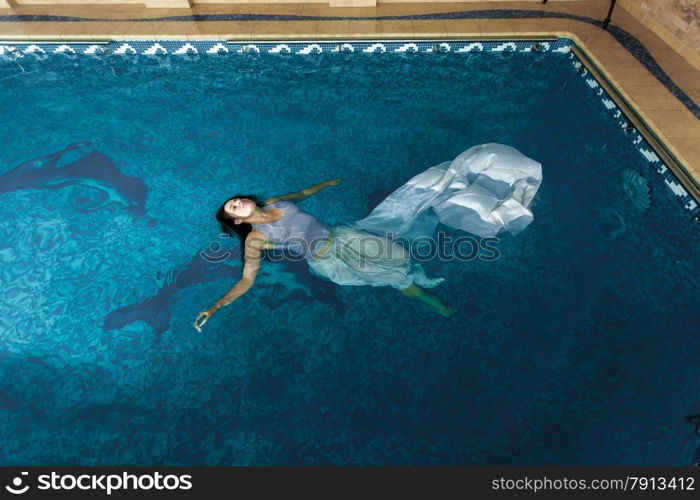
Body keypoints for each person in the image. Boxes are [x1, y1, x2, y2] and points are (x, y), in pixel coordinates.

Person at [194, 143, 542, 331]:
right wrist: (215, 306)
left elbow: (302, 193)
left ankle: (422, 283)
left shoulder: (274, 201)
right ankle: (438, 305)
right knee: (390, 276)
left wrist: (325, 184)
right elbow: (246, 280)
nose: (235, 203)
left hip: (344, 234)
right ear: (237, 221)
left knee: (397, 257)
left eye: (234, 200)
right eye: (232, 209)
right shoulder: (255, 239)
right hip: (328, 260)